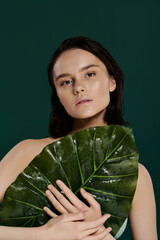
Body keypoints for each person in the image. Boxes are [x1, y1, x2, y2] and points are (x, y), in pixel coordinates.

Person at [0, 36, 158, 240]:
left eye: (90, 74)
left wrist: (98, 231)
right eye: (65, 81)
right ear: (57, 94)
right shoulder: (28, 151)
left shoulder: (136, 174)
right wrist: (45, 234)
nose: (78, 87)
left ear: (112, 81)